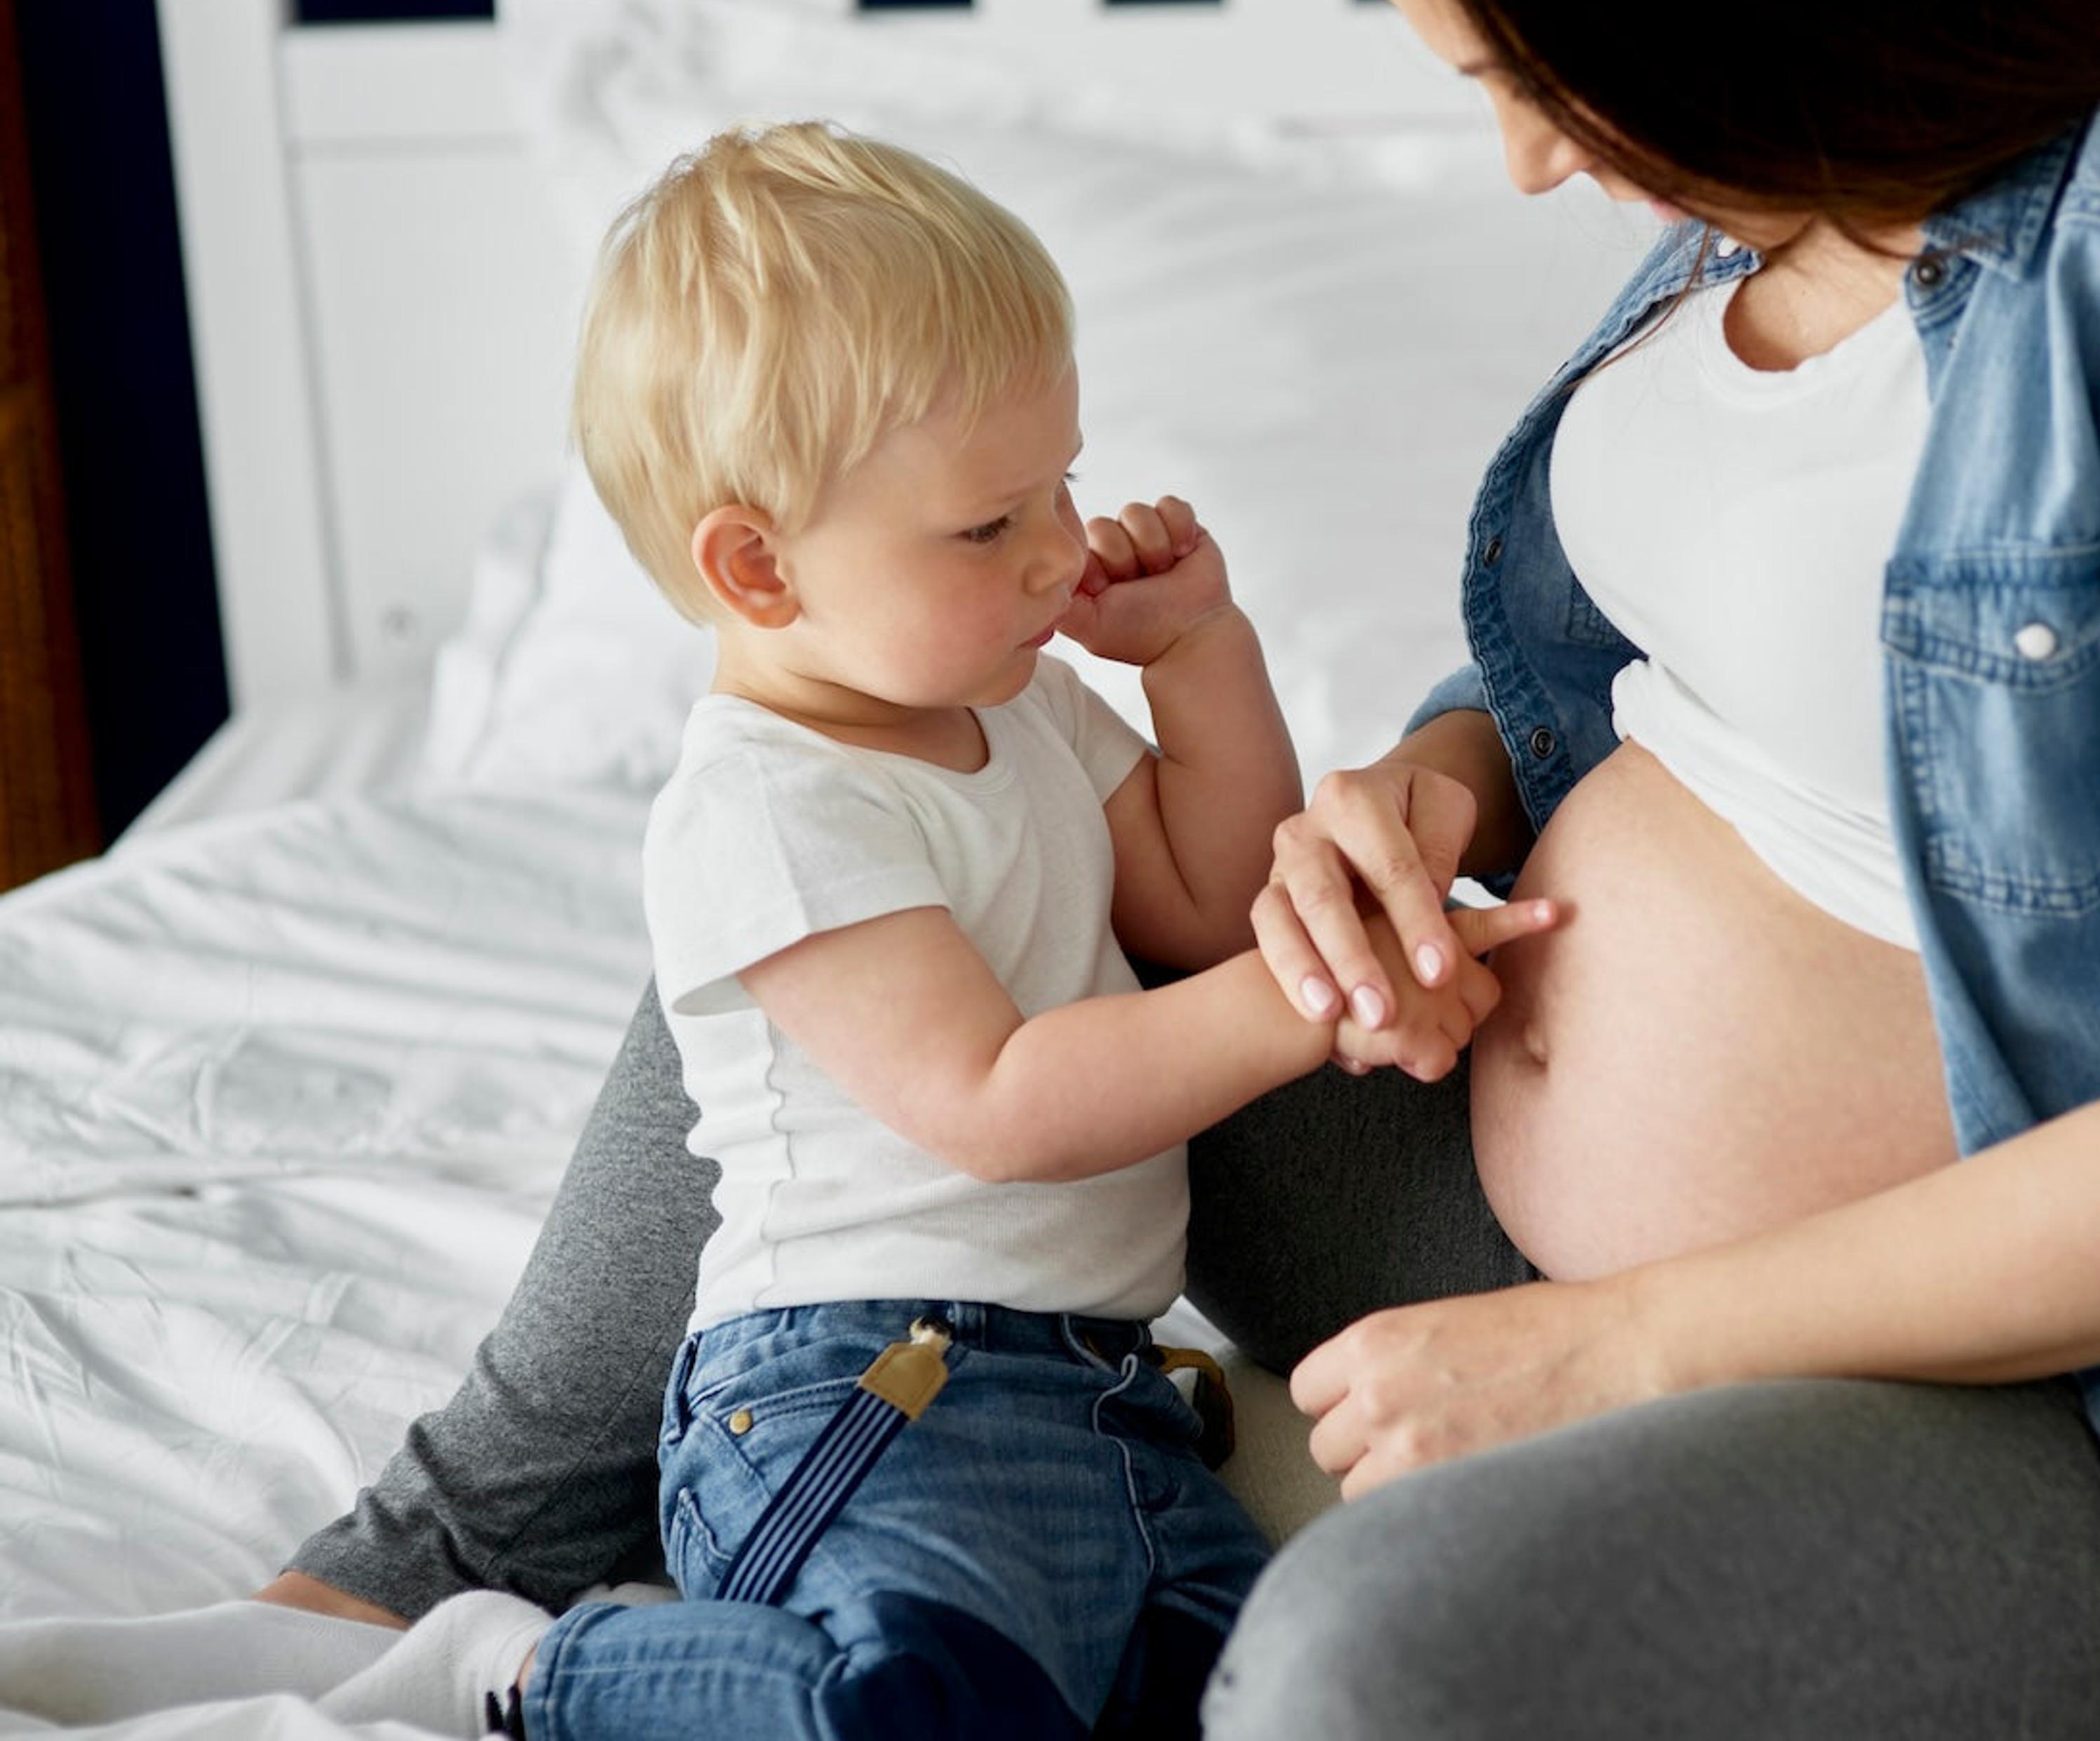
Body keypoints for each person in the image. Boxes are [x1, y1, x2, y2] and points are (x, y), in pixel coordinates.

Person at [259, 0, 2100, 1737]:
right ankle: (452, 1555)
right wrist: (1423, 801)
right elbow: (1668, 677)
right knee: (879, 807)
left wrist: (1603, 1349)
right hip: (1470, 1175)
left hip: (2083, 1399)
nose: (1529, 154)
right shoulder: (1778, 200)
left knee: (1362, 1675)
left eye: (1526, 62)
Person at [287, 122, 1541, 1740]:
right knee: (904, 1707)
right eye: (986, 524)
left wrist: (1200, 654)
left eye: (1064, 489)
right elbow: (1003, 1098)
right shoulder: (765, 809)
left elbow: (1206, 894)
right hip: (860, 1391)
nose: (1056, 553)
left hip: (1105, 1396)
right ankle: (543, 1674)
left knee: (1237, 1701)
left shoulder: (1013, 713)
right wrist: (1311, 1001)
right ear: (755, 566)